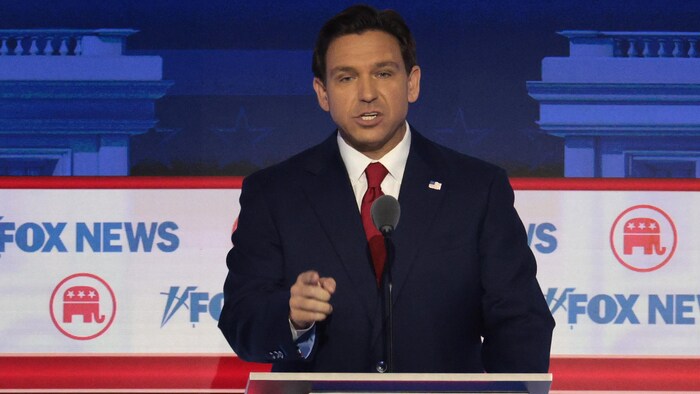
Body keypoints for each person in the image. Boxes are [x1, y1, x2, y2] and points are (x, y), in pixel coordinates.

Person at [218, 4, 554, 373]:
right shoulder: (274, 193)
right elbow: (240, 319)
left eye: (383, 73)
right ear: (322, 92)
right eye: (346, 78)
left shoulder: (476, 189)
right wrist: (292, 318)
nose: (367, 94)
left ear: (412, 83)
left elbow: (522, 322)